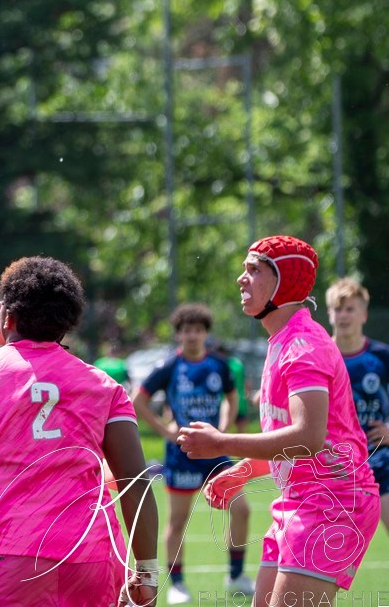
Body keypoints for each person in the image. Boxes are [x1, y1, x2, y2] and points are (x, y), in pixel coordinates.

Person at [0, 257, 160, 607]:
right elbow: (134, 482)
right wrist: (147, 572)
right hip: (90, 557)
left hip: (12, 554)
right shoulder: (104, 386)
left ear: (9, 313)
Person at [181, 236, 381, 605]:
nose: (242, 278)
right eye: (244, 269)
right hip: (300, 500)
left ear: (284, 282)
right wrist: (242, 471)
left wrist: (222, 442)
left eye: (254, 270)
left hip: (333, 502)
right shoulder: (281, 341)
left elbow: (308, 438)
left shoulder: (303, 345)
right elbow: (292, 445)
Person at [133, 303, 252, 602]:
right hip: (182, 455)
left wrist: (223, 429)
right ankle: (177, 583)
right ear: (178, 334)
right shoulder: (168, 367)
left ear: (205, 334)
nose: (192, 336)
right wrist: (167, 432)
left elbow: (232, 397)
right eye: (186, 330)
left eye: (198, 330)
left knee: (242, 509)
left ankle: (236, 575)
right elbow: (139, 401)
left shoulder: (219, 365)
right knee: (178, 521)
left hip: (217, 455)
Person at [325, 277, 389, 536]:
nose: (343, 315)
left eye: (350, 309)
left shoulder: (381, 356)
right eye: (338, 309)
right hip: (333, 462)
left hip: (378, 457)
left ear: (363, 314)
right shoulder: (319, 354)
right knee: (331, 547)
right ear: (329, 314)